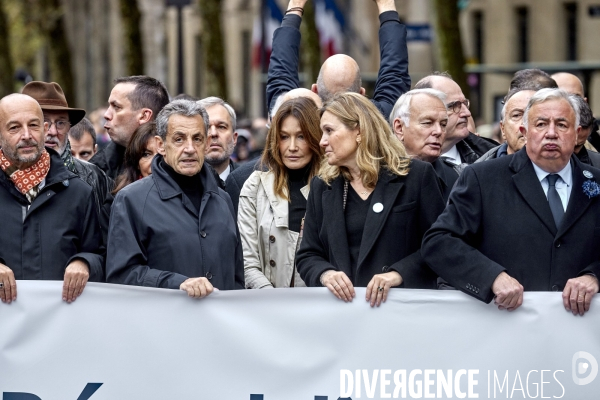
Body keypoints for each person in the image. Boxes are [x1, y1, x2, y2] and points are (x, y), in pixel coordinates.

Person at [422, 88, 600, 316]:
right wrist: (492, 276)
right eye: (541, 124)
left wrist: (594, 276)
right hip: (506, 324)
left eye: (562, 125)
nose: (551, 133)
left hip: (579, 331)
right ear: (525, 132)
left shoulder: (596, 181)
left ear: (577, 134)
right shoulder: (483, 179)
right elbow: (439, 242)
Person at [296, 93, 445, 307]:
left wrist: (398, 274)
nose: (322, 142)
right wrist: (325, 274)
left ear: (358, 130)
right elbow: (308, 254)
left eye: (329, 131)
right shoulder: (323, 185)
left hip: (403, 311)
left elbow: (439, 245)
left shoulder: (416, 176)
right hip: (345, 315)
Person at [106, 100, 244, 297]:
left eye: (197, 139)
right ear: (161, 145)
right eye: (179, 139)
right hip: (164, 323)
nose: (189, 148)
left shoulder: (222, 199)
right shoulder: (131, 200)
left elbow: (236, 275)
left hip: (219, 324)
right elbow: (121, 275)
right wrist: (178, 284)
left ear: (206, 144)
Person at [0, 94, 104, 304]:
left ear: (45, 129)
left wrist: (84, 263)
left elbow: (101, 254)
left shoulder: (79, 192)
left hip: (60, 327)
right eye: (14, 128)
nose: (27, 135)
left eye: (34, 125)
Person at [266, 0, 410, 118]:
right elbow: (394, 75)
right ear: (362, 93)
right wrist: (386, 4)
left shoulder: (297, 122)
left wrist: (295, 6)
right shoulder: (379, 118)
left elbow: (280, 77)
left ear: (314, 90)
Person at [238, 97, 323, 289]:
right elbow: (247, 261)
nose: (292, 147)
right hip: (265, 305)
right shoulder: (255, 185)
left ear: (315, 138)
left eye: (301, 136)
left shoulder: (331, 187)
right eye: (284, 137)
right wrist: (273, 300)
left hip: (317, 306)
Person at [21, 81, 112, 241]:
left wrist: (84, 261)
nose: (53, 131)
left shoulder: (95, 177)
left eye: (61, 123)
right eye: (43, 121)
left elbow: (105, 246)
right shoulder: (5, 176)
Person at [90, 76, 169, 181]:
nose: (106, 115)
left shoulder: (182, 166)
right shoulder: (98, 171)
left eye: (116, 107)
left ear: (144, 116)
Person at [413, 72, 497, 165]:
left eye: (465, 103)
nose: (467, 113)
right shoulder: (399, 160)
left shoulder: (493, 157)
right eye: (454, 106)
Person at [390, 89, 453, 201]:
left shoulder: (457, 178)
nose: (438, 131)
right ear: (399, 128)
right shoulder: (374, 175)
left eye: (443, 124)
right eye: (427, 123)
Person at [477, 88, 535, 162]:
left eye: (533, 115)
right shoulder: (480, 171)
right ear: (502, 129)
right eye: (516, 115)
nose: (525, 124)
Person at [197, 97, 238, 184]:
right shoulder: (178, 184)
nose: (213, 133)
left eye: (221, 127)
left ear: (234, 138)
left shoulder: (250, 181)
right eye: (206, 127)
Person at [112, 122, 159, 194]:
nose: (155, 162)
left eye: (162, 154)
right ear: (136, 162)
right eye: (146, 155)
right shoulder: (122, 197)